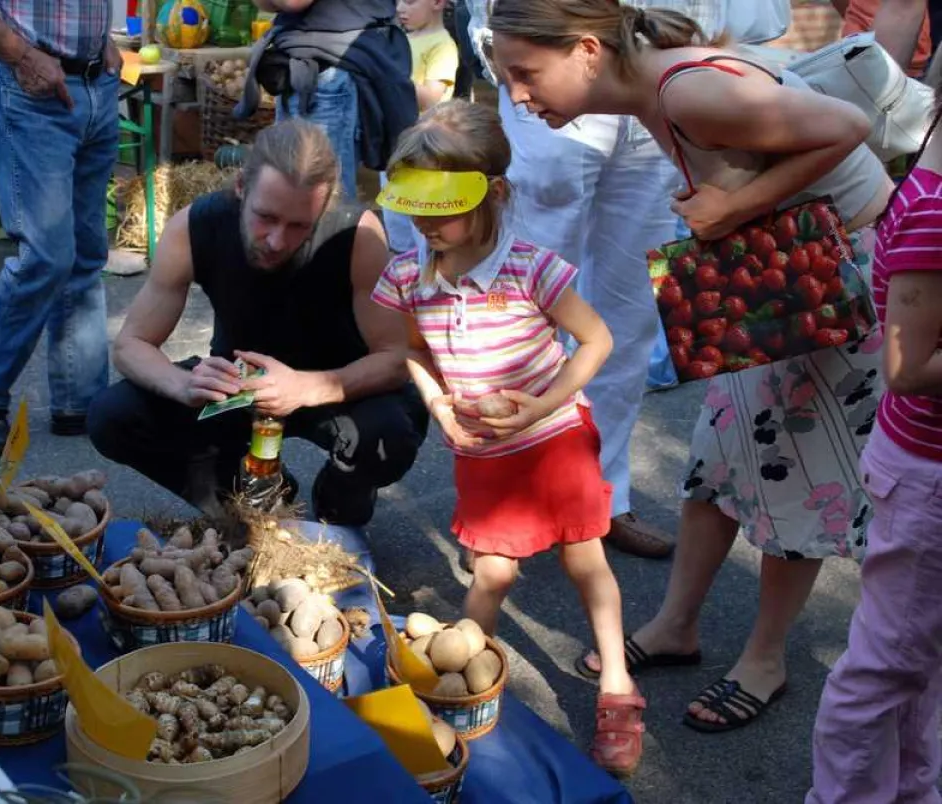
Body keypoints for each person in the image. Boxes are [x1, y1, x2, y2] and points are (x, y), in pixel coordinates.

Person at [489, 0, 894, 732]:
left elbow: (850, 129)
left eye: (525, 73)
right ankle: (679, 623)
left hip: (834, 283)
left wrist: (734, 205)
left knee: (798, 479)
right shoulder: (651, 90)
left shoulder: (686, 91)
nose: (518, 94)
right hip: (767, 267)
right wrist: (735, 215)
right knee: (717, 460)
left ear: (586, 50)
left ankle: (765, 658)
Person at [372, 101, 643, 777]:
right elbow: (411, 350)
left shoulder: (530, 269)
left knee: (587, 561)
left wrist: (541, 405)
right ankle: (461, 686)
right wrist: (436, 401)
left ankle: (616, 686)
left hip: (553, 438)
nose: (427, 226)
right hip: (483, 452)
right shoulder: (410, 276)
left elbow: (597, 339)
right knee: (492, 572)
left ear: (491, 194)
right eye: (415, 210)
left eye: (442, 210)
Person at [465, 0, 754, 560]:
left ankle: (602, 494)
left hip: (648, 75)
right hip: (556, 56)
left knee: (630, 314)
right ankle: (505, 500)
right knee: (523, 305)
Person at [86, 120, 429, 527]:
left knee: (387, 435)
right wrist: (183, 385)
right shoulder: (194, 226)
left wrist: (304, 387)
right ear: (240, 188)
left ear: (324, 207)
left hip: (337, 386)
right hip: (240, 384)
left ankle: (337, 511)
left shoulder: (358, 235)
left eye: (300, 225)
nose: (277, 240)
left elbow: (395, 358)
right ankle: (256, 507)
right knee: (112, 416)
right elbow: (131, 345)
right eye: (266, 217)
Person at [807, 81, 942, 804]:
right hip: (928, 479)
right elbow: (909, 367)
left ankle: (912, 790)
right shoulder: (937, 215)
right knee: (887, 664)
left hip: (920, 469)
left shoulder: (930, 179)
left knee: (917, 660)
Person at [0, 0, 123, 455]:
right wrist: (18, 52)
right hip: (27, 83)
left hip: (94, 80)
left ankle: (81, 401)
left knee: (85, 252)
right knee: (48, 253)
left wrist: (103, 43)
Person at [239, 0, 417, 200]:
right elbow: (269, 5)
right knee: (297, 194)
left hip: (329, 71)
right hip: (314, 60)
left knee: (320, 202)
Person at [382, 0, 461, 252]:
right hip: (396, 146)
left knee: (421, 222)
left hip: (422, 152)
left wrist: (391, 76)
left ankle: (423, 273)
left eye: (410, 1)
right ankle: (401, 270)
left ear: (438, 3)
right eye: (398, 2)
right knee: (395, 216)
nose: (400, 9)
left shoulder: (443, 45)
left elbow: (431, 96)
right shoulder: (402, 39)